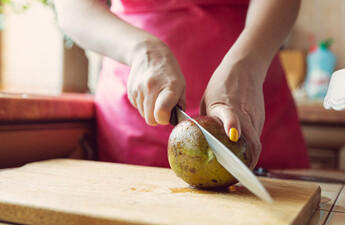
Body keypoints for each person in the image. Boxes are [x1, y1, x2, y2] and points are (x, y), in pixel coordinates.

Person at [54, 0, 310, 169]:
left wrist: (249, 61)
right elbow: (73, 8)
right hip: (139, 114)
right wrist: (143, 50)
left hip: (249, 100)